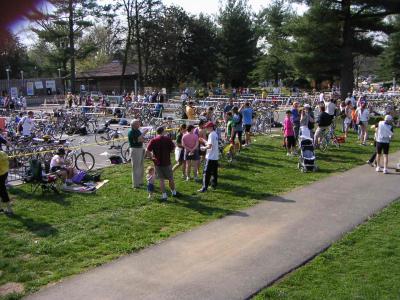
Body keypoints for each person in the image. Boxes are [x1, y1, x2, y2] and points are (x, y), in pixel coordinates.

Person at [146, 126, 178, 201]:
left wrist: (151, 158)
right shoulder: (167, 139)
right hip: (167, 162)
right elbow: (173, 150)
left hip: (157, 163)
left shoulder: (153, 140)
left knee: (161, 180)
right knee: (170, 178)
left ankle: (164, 195)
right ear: (163, 131)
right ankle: (174, 192)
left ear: (157, 132)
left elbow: (147, 150)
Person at [198, 122, 219, 193]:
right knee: (214, 172)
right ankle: (214, 185)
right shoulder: (215, 134)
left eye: (207, 127)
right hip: (215, 156)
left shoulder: (211, 135)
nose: (206, 129)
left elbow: (209, 146)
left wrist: (203, 148)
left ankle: (204, 188)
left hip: (210, 157)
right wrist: (204, 141)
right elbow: (210, 144)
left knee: (206, 172)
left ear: (210, 127)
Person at [128, 119, 145, 189]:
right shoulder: (131, 132)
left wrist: (142, 137)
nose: (139, 124)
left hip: (140, 148)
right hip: (135, 150)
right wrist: (144, 133)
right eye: (138, 123)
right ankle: (135, 184)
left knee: (141, 166)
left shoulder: (137, 130)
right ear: (134, 125)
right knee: (135, 167)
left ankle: (140, 181)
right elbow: (138, 140)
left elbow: (142, 139)